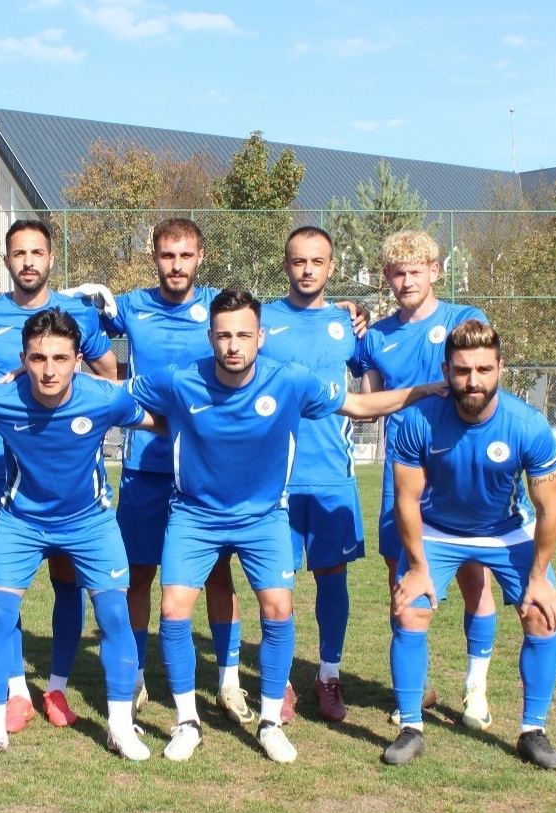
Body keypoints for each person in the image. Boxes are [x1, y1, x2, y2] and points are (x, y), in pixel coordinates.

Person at [128, 289, 440, 763]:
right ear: (210, 337)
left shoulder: (290, 380)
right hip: (195, 515)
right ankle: (187, 721)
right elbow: (121, 401)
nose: (234, 345)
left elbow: (358, 405)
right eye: (225, 335)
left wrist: (422, 391)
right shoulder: (179, 379)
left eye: (244, 335)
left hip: (264, 517)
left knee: (277, 608)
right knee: (173, 610)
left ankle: (271, 721)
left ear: (261, 337)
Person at [0, 308, 163, 762]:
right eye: (38, 357)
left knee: (115, 617)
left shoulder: (105, 398)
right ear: (23, 357)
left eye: (60, 358)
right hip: (21, 521)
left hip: (90, 522)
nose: (49, 369)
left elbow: (159, 423)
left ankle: (120, 727)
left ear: (77, 359)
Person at [0, 218, 117, 731]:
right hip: (4, 466)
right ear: (6, 260)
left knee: (68, 581)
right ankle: (18, 688)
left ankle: (59, 687)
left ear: (51, 257)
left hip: (68, 472)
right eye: (18, 253)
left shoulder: (77, 316)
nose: (28, 262)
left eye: (37, 252)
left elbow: (109, 374)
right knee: (6, 587)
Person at [383, 320, 556, 769]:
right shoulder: (415, 421)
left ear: (500, 367)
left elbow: (549, 512)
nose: (474, 380)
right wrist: (419, 568)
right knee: (410, 607)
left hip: (505, 530)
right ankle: (410, 727)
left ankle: (532, 731)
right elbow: (406, 501)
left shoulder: (528, 425)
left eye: (484, 368)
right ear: (446, 370)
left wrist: (539, 578)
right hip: (438, 529)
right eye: (463, 370)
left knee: (542, 614)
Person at [100, 218, 254, 725]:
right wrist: (80, 297)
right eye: (168, 255)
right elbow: (77, 325)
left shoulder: (218, 304)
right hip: (145, 464)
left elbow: (274, 323)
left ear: (201, 257)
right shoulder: (130, 307)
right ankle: (139, 675)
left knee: (216, 574)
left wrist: (350, 310)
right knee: (138, 574)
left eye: (186, 255)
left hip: (204, 468)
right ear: (154, 257)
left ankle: (229, 680)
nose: (177, 265)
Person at [358, 230, 497, 728]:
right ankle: (416, 689)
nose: (406, 280)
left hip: (459, 467)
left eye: (416, 270)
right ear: (386, 278)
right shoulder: (374, 338)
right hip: (404, 471)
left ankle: (475, 689)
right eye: (397, 272)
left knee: (472, 575)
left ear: (436, 271)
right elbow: (367, 409)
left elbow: (482, 383)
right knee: (402, 582)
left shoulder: (464, 319)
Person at [258, 226, 364, 722]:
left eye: (317, 262)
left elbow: (374, 379)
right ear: (286, 266)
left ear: (331, 268)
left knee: (331, 577)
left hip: (331, 477)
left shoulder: (349, 325)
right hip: (273, 477)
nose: (307, 270)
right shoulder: (260, 320)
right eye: (298, 261)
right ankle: (277, 684)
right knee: (275, 585)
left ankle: (328, 676)